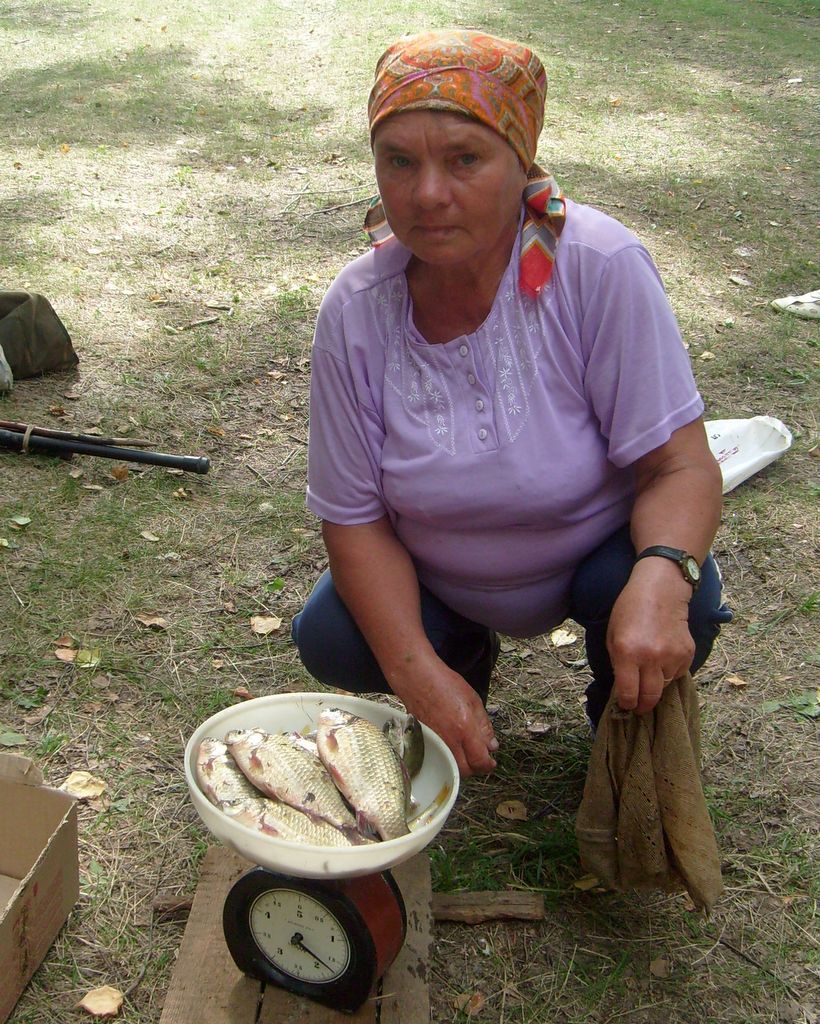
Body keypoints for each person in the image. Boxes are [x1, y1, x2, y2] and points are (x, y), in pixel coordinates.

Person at [291, 29, 731, 778]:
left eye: (464, 158)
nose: (427, 193)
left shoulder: (597, 266)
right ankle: (460, 658)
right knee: (334, 633)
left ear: (519, 159)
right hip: (437, 566)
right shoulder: (357, 308)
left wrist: (661, 577)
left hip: (592, 554)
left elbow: (679, 468)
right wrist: (415, 671)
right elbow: (355, 518)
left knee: (671, 588)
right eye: (400, 161)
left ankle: (622, 721)